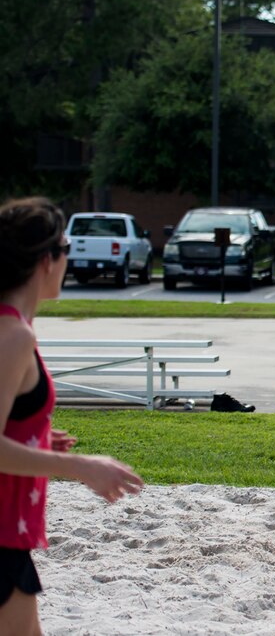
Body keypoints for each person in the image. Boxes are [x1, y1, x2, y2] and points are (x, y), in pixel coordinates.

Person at [0, 197, 144, 635]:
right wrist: (79, 466)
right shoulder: (13, 335)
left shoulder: (13, 327)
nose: (69, 256)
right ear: (46, 259)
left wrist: (36, 438)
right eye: (65, 247)